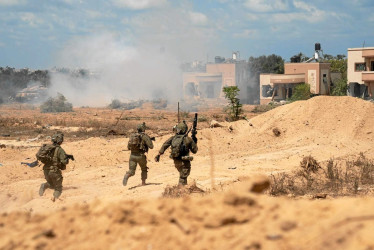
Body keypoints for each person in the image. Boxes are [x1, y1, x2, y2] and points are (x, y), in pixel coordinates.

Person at [38, 132, 71, 201]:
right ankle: (54, 199)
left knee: (51, 185)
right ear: (60, 141)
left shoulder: (48, 148)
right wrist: (67, 159)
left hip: (46, 170)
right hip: (54, 171)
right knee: (58, 188)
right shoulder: (59, 150)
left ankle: (42, 192)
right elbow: (64, 161)